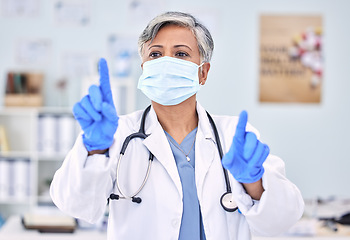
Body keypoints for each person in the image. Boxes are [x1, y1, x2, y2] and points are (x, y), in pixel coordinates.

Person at [50, 11, 304, 240]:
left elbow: (280, 221)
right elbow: (77, 206)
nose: (165, 62)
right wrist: (94, 150)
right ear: (144, 69)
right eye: (155, 54)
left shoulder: (233, 136)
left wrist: (255, 183)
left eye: (181, 53)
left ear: (202, 73)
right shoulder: (117, 136)